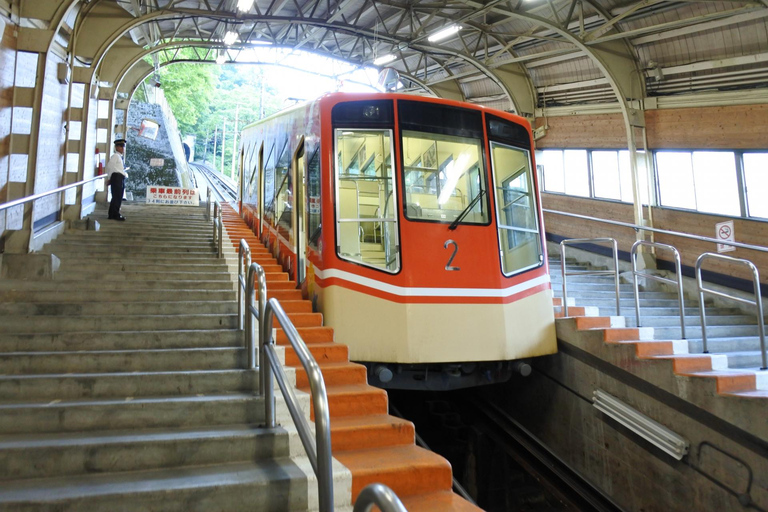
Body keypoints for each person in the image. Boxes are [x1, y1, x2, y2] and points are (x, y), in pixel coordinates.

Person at [106, 138, 129, 221]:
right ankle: (115, 214)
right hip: (116, 177)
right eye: (121, 147)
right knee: (117, 196)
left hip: (119, 177)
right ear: (117, 147)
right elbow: (110, 167)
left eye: (123, 147)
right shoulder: (115, 156)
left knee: (118, 196)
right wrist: (110, 178)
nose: (123, 149)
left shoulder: (119, 157)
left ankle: (113, 213)